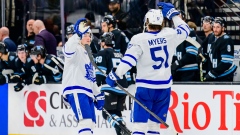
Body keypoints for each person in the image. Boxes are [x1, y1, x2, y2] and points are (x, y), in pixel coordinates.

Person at [105, 2, 190, 134]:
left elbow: (129, 61)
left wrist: (115, 74)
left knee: (139, 127)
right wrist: (173, 14)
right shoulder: (170, 34)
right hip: (164, 89)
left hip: (146, 88)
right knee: (154, 127)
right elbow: (185, 29)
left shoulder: (139, 39)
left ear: (146, 22)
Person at [61, 18, 104, 135]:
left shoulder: (88, 55)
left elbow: (92, 79)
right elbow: (67, 50)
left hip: (87, 92)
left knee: (91, 124)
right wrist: (77, 35)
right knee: (85, 123)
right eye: (85, 35)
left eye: (90, 35)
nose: (88, 37)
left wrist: (98, 94)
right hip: (76, 89)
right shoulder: (76, 50)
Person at [95, 32, 128, 135]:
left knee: (106, 113)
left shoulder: (102, 53)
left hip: (110, 87)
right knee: (116, 113)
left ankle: (121, 127)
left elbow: (100, 74)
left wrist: (95, 86)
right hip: (123, 88)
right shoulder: (120, 54)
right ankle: (121, 129)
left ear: (104, 42)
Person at [204, 17, 237, 81]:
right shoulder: (211, 37)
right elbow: (207, 52)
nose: (215, 29)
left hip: (224, 75)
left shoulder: (226, 40)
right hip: (215, 75)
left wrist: (212, 73)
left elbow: (226, 62)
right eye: (214, 27)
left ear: (223, 28)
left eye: (218, 27)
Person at [171, 11, 200, 81]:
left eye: (178, 18)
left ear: (183, 20)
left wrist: (177, 63)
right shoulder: (172, 33)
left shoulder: (189, 32)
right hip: (177, 72)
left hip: (189, 71)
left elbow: (191, 54)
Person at [198, 16, 215, 80]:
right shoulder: (205, 39)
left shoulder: (213, 37)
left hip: (212, 70)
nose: (204, 25)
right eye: (203, 23)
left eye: (207, 23)